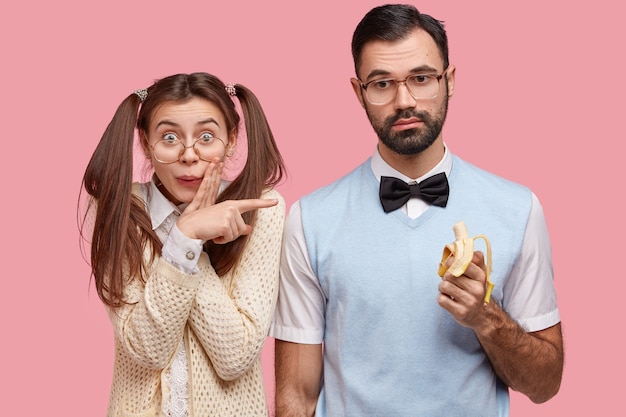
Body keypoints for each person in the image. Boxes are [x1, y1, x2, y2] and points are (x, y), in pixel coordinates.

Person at [270, 4, 563, 417]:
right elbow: (295, 398)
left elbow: (545, 384)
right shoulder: (310, 220)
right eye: (382, 83)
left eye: (422, 78)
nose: (404, 100)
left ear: (450, 81)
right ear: (359, 92)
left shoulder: (518, 209)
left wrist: (486, 318)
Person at [80, 72, 286, 416]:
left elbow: (236, 355)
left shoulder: (262, 210)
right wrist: (185, 237)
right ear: (146, 143)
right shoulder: (117, 208)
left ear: (231, 140)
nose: (189, 155)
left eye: (207, 136)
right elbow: (146, 350)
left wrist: (190, 241)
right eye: (170, 137)